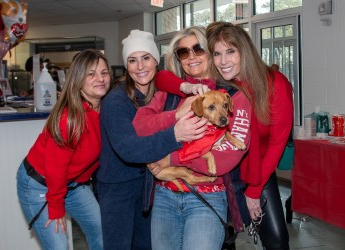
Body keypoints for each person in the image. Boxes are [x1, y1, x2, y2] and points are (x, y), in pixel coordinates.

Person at [132, 26, 252, 250]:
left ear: (210, 52)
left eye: (198, 49)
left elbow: (227, 157)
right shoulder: (169, 93)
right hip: (165, 195)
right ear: (178, 59)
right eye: (184, 52)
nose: (192, 56)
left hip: (208, 198)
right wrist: (175, 116)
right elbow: (139, 126)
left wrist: (172, 158)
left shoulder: (232, 95)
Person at [96, 29, 209, 250]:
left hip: (149, 186)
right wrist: (175, 135)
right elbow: (129, 149)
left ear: (155, 61)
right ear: (126, 66)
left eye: (146, 58)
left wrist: (185, 86)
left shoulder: (160, 91)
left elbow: (169, 79)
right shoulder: (116, 101)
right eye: (132, 60)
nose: (140, 67)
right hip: (118, 189)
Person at [205, 22, 293, 250]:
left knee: (277, 241)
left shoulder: (274, 82)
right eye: (217, 53)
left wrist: (254, 190)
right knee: (224, 243)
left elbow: (277, 142)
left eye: (230, 51)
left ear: (245, 50)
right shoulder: (219, 88)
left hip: (260, 173)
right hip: (223, 174)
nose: (223, 61)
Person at [16, 49, 111, 249]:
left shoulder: (105, 110)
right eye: (91, 74)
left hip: (73, 183)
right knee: (59, 245)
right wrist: (56, 207)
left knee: (102, 231)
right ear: (78, 79)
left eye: (104, 73)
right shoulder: (70, 118)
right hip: (40, 184)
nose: (100, 78)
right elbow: (55, 167)